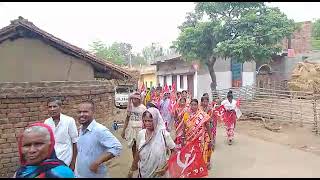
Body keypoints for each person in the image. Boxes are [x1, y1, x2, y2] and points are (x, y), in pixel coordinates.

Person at [76, 100, 122, 178]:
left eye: (85, 112)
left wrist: (97, 162)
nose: (81, 115)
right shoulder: (80, 130)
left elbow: (117, 147)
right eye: (79, 112)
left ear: (93, 112)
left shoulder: (99, 130)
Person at [128, 107, 176, 178]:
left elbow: (174, 151)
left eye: (150, 121)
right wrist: (132, 168)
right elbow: (138, 151)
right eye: (145, 121)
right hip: (144, 171)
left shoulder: (164, 134)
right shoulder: (141, 134)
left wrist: (165, 168)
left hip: (159, 173)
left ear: (156, 120)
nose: (147, 123)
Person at [44, 97, 78, 171]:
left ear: (60, 107)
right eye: (50, 107)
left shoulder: (69, 121)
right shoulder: (46, 122)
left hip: (66, 158)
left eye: (54, 106)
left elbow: (75, 142)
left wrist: (73, 162)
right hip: (52, 159)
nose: (52, 109)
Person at [182, 99, 213, 169]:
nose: (193, 106)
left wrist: (211, 138)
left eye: (195, 105)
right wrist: (183, 138)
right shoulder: (186, 115)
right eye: (192, 105)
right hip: (189, 138)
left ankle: (198, 168)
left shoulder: (202, 115)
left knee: (199, 153)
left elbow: (208, 127)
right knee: (191, 154)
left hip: (199, 139)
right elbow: (184, 128)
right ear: (190, 105)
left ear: (197, 105)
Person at [122, 92, 146, 158]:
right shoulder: (130, 107)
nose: (133, 100)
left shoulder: (143, 108)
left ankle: (140, 161)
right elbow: (127, 118)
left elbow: (145, 120)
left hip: (140, 129)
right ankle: (134, 161)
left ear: (139, 99)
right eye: (132, 99)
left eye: (135, 99)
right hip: (131, 129)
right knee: (133, 146)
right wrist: (123, 131)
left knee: (140, 146)